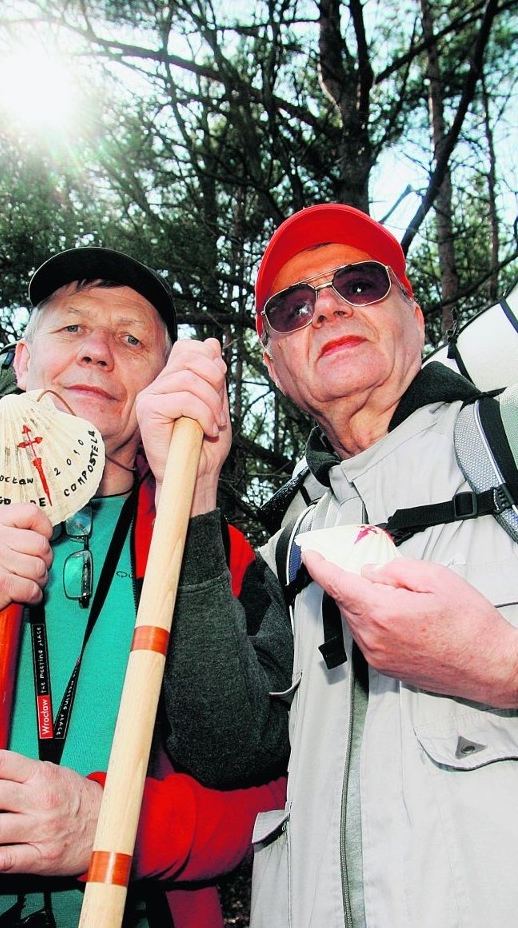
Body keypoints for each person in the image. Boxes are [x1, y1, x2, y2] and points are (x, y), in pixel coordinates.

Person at [0, 245, 291, 928]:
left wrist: (115, 825)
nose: (98, 350)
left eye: (132, 339)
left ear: (163, 384)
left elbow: (266, 794)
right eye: (72, 327)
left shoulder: (218, 557)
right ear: (21, 360)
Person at [136, 203, 518, 927]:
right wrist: (192, 497)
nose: (328, 308)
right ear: (277, 368)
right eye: (293, 306)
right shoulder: (282, 551)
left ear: (415, 317)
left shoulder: (506, 441)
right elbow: (228, 752)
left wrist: (505, 666)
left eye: (363, 284)